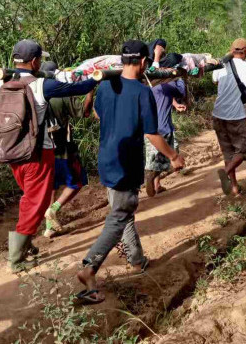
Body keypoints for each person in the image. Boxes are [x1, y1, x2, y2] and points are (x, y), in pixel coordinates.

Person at [76, 40, 185, 304]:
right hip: (126, 162)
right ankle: (89, 268)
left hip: (106, 159)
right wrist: (173, 156)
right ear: (145, 63)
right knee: (119, 216)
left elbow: (99, 116)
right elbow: (151, 132)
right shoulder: (142, 92)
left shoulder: (105, 87)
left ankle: (136, 259)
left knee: (121, 211)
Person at [0, 40, 97, 273]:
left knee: (29, 199)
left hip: (12, 153)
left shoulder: (3, 83)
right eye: (39, 58)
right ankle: (16, 259)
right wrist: (96, 78)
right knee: (35, 203)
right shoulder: (41, 85)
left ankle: (26, 245)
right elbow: (79, 89)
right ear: (34, 61)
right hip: (37, 155)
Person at [39, 61, 94, 239]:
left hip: (42, 150)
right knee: (76, 182)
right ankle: (53, 210)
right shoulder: (62, 94)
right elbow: (84, 113)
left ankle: (49, 227)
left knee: (51, 186)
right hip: (63, 148)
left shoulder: (33, 94)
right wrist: (90, 91)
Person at [212, 39, 246, 196]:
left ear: (231, 50)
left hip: (217, 114)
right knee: (242, 150)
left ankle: (234, 187)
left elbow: (218, 86)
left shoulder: (219, 65)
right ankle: (226, 171)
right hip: (235, 116)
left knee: (228, 152)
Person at [144, 78, 187, 197]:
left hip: (148, 129)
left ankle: (156, 185)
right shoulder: (167, 86)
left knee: (155, 157)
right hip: (164, 128)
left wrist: (175, 104)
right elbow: (181, 91)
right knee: (168, 156)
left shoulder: (149, 87)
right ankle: (152, 175)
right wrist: (180, 77)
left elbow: (167, 95)